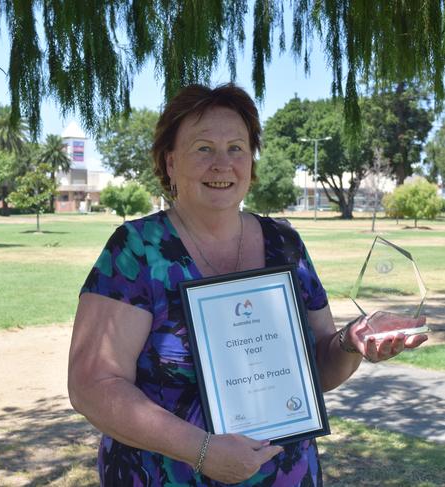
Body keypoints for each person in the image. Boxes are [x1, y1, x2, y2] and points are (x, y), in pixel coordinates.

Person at [68, 83, 428, 486]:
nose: (222, 164)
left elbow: (320, 369)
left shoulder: (284, 243)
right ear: (171, 163)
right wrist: (202, 450)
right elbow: (91, 384)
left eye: (236, 148)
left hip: (285, 474)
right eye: (203, 148)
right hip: (166, 475)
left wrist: (352, 341)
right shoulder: (137, 250)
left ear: (251, 162)